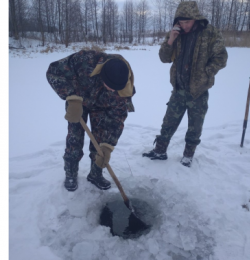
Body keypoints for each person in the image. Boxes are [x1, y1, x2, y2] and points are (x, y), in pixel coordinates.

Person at [143, 1, 228, 167]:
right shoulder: (176, 33)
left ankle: (188, 155)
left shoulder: (210, 33)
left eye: (187, 22)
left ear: (195, 19)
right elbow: (164, 58)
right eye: (181, 22)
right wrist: (171, 40)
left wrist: (205, 73)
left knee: (195, 126)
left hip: (198, 91)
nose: (184, 25)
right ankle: (160, 151)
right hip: (179, 89)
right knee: (168, 123)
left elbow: (221, 58)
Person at [46, 50, 135, 191]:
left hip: (102, 106)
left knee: (100, 142)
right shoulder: (85, 60)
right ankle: (71, 173)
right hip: (78, 101)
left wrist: (108, 146)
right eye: (110, 87)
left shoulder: (124, 88)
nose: (112, 91)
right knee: (74, 138)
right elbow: (53, 71)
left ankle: (95, 174)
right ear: (102, 76)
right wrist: (71, 97)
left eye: (115, 89)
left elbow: (118, 119)